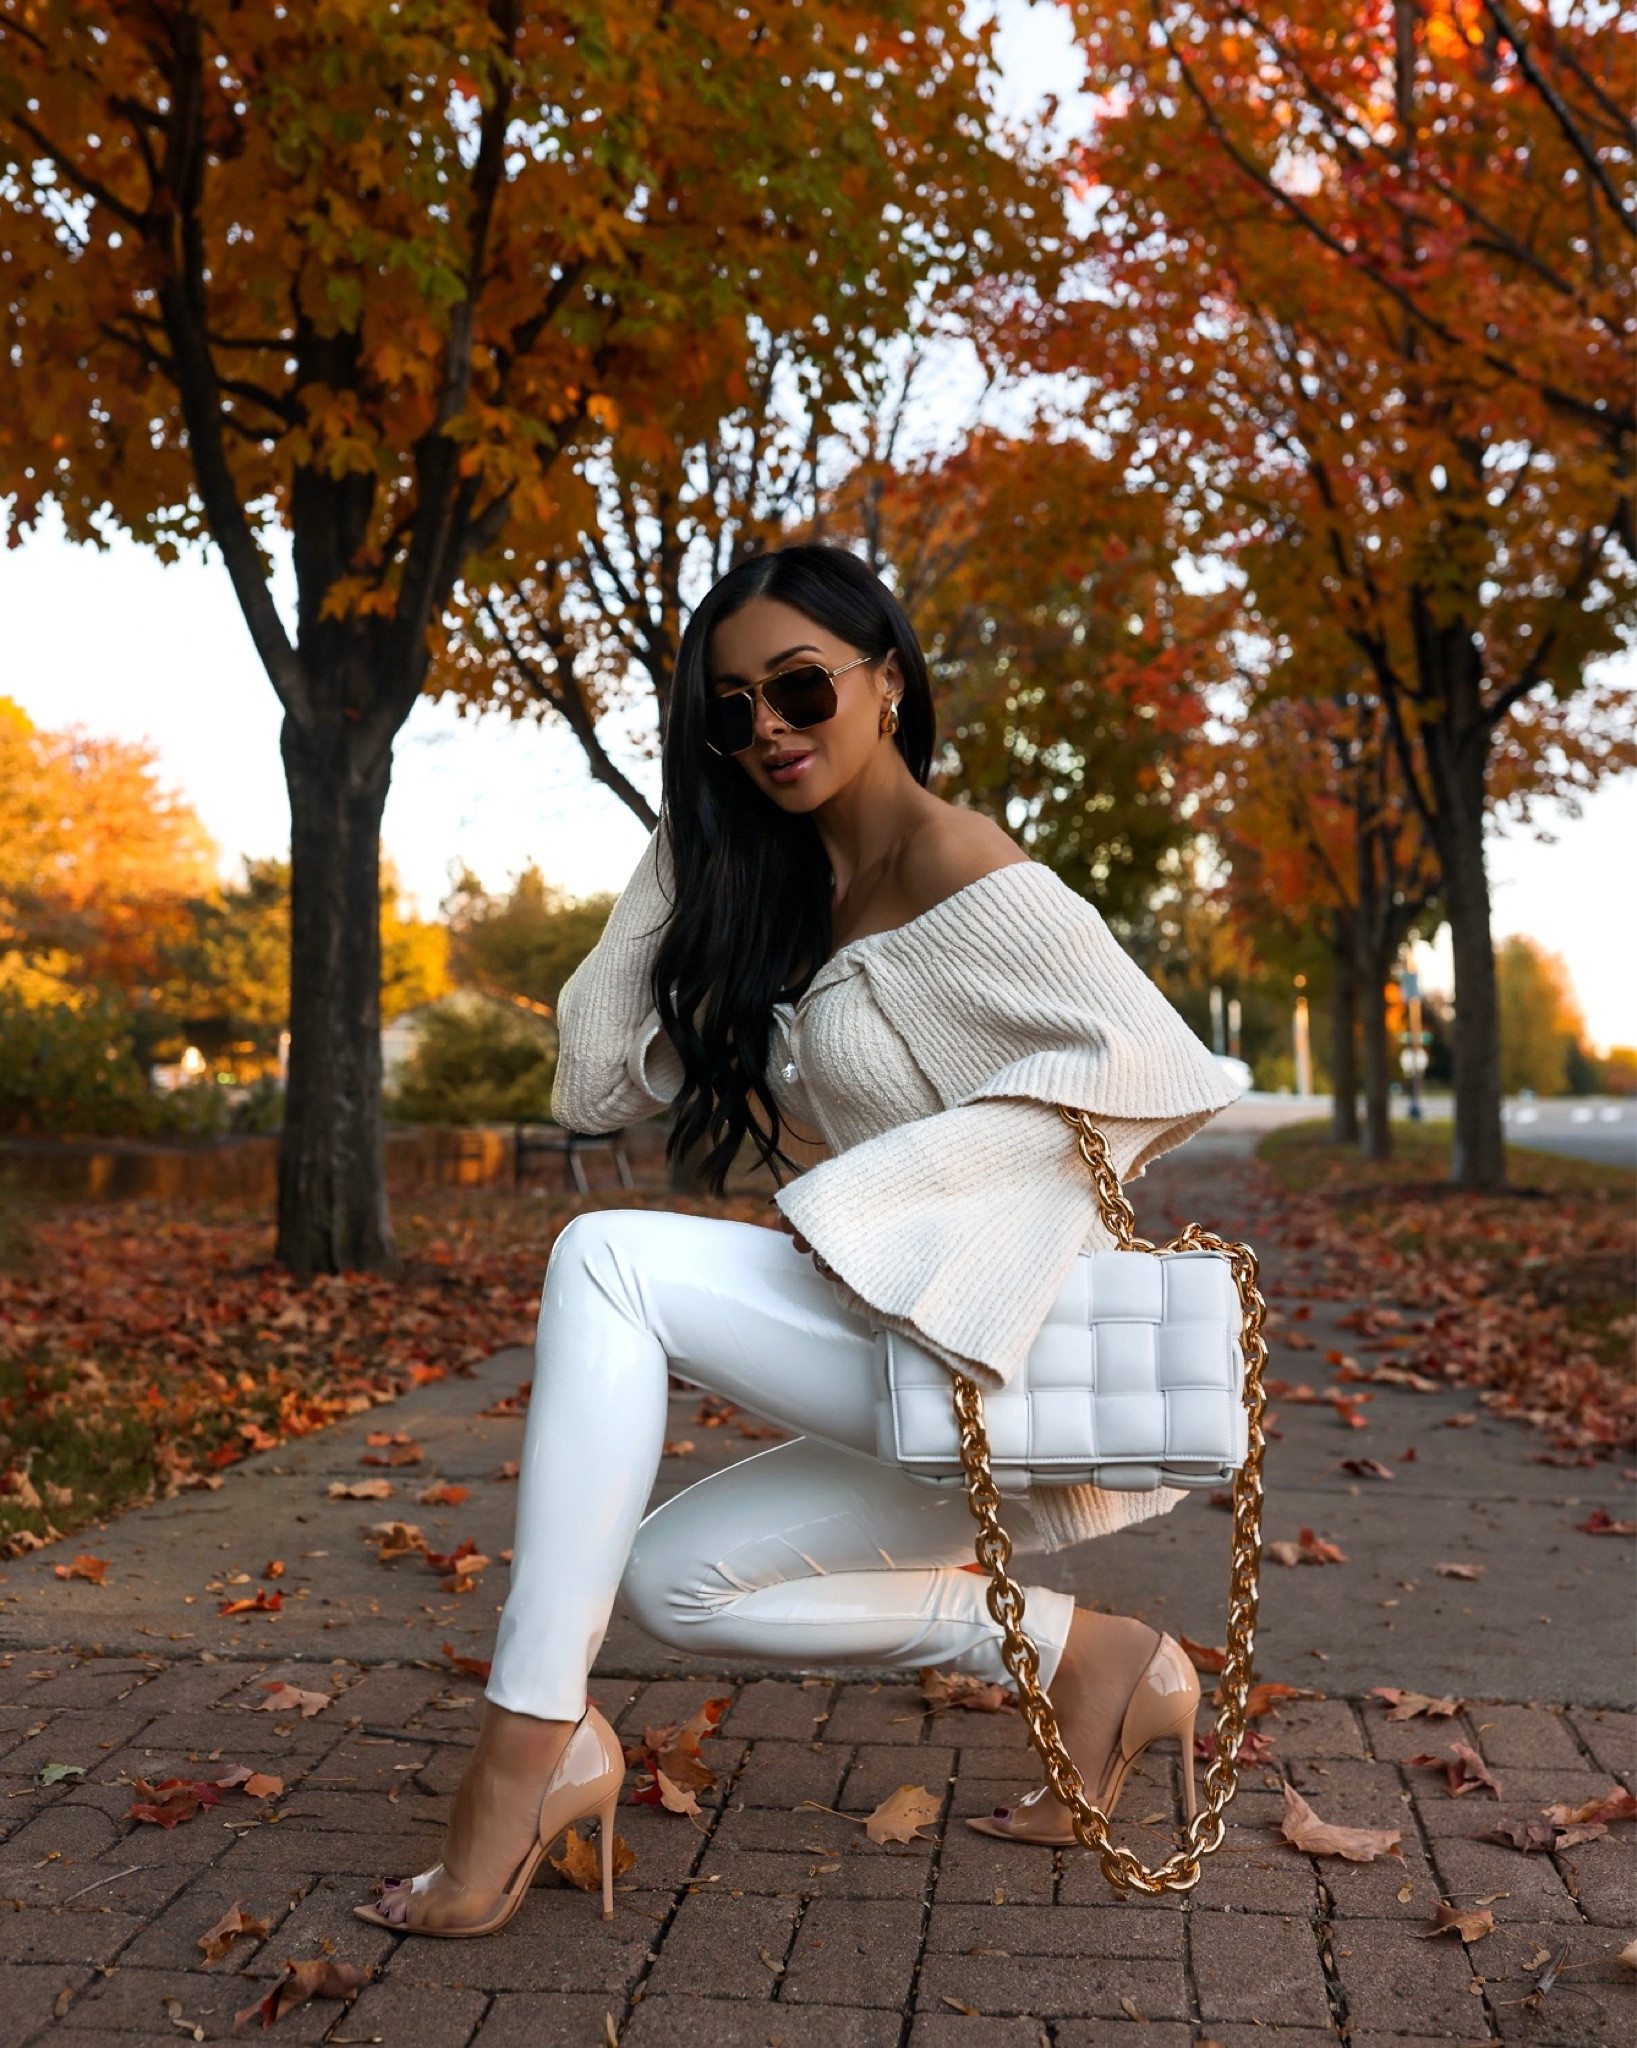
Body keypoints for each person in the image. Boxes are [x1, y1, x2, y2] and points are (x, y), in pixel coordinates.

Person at [358, 544, 1238, 1936]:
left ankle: (524, 1749)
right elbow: (590, 1085)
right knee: (672, 1584)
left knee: (604, 1259)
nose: (767, 725)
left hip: (1004, 1349)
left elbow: (1158, 1072)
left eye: (799, 687)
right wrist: (685, 830)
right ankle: (1095, 1656)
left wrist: (876, 1202)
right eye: (729, 710)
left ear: (885, 680)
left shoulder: (964, 863)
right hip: (904, 1343)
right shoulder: (786, 890)